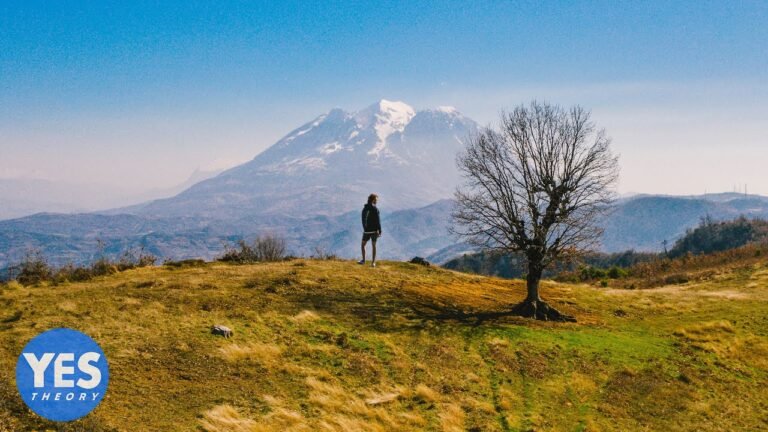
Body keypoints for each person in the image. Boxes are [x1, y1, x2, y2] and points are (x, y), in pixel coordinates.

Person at [358, 193, 381, 267]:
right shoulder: (375, 209)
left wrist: (365, 228)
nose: (377, 201)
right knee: (374, 245)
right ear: (373, 200)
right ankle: (373, 262)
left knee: (363, 245)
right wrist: (379, 230)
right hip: (374, 230)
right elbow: (378, 221)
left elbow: (363, 219)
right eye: (376, 200)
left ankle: (363, 260)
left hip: (367, 231)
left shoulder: (365, 208)